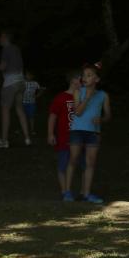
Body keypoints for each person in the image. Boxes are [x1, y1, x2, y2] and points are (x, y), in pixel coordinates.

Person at [63, 64, 111, 204]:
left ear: (96, 79)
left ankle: (87, 194)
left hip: (93, 132)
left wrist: (101, 119)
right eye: (84, 75)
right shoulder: (78, 92)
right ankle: (67, 192)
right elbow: (77, 112)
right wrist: (88, 97)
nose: (85, 78)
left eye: (89, 75)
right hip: (77, 130)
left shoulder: (103, 95)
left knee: (90, 163)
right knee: (73, 159)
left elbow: (108, 115)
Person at [0, 31, 31, 148]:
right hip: (21, 82)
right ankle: (27, 138)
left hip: (10, 84)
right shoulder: (16, 49)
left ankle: (4, 140)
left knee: (5, 111)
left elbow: (3, 67)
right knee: (19, 109)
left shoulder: (6, 49)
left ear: (5, 38)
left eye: (1, 37)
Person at [47, 69, 82, 198]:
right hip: (64, 138)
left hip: (79, 138)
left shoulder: (83, 97)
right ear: (73, 80)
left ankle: (80, 190)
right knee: (63, 164)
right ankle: (65, 191)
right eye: (80, 79)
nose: (83, 81)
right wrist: (50, 134)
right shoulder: (61, 97)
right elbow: (52, 116)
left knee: (79, 164)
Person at [22, 70, 45, 136]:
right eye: (27, 75)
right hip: (22, 103)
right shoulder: (22, 83)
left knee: (31, 117)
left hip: (31, 103)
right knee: (23, 117)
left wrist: (37, 95)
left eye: (30, 75)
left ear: (32, 76)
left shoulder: (35, 83)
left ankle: (32, 130)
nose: (28, 76)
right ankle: (23, 130)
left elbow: (41, 89)